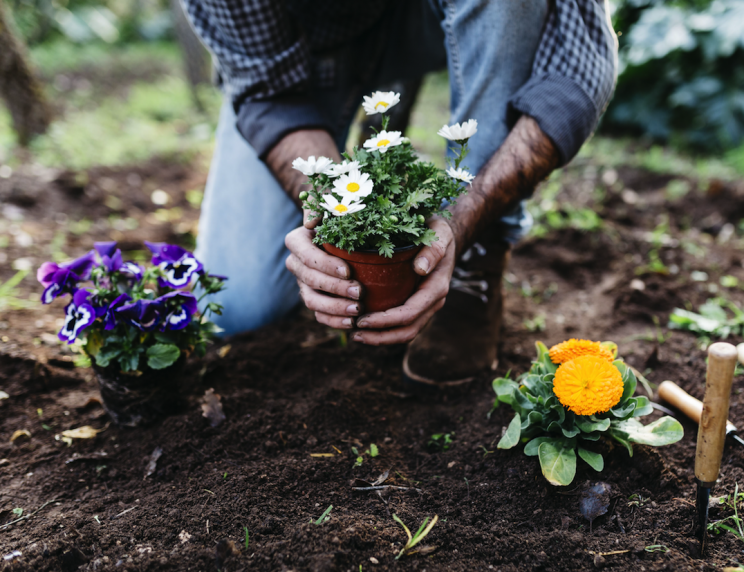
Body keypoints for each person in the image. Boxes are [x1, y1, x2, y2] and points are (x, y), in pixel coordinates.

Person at [184, 0, 618, 386]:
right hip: (313, 42)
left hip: (441, 18)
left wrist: (462, 221)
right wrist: (327, 207)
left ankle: (473, 266)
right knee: (238, 307)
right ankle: (392, 98)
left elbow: (574, 71)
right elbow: (268, 90)